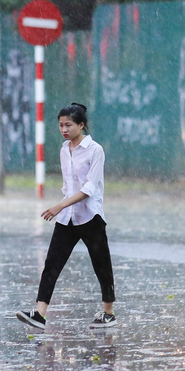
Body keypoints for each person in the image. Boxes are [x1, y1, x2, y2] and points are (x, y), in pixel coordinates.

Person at [16, 103, 116, 330]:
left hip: (90, 217)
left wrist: (59, 206)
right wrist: (63, 207)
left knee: (101, 265)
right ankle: (40, 314)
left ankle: (108, 313)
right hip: (67, 218)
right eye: (61, 125)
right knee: (51, 264)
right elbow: (67, 185)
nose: (64, 129)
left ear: (81, 125)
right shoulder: (64, 150)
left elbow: (90, 188)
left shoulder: (95, 150)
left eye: (68, 125)